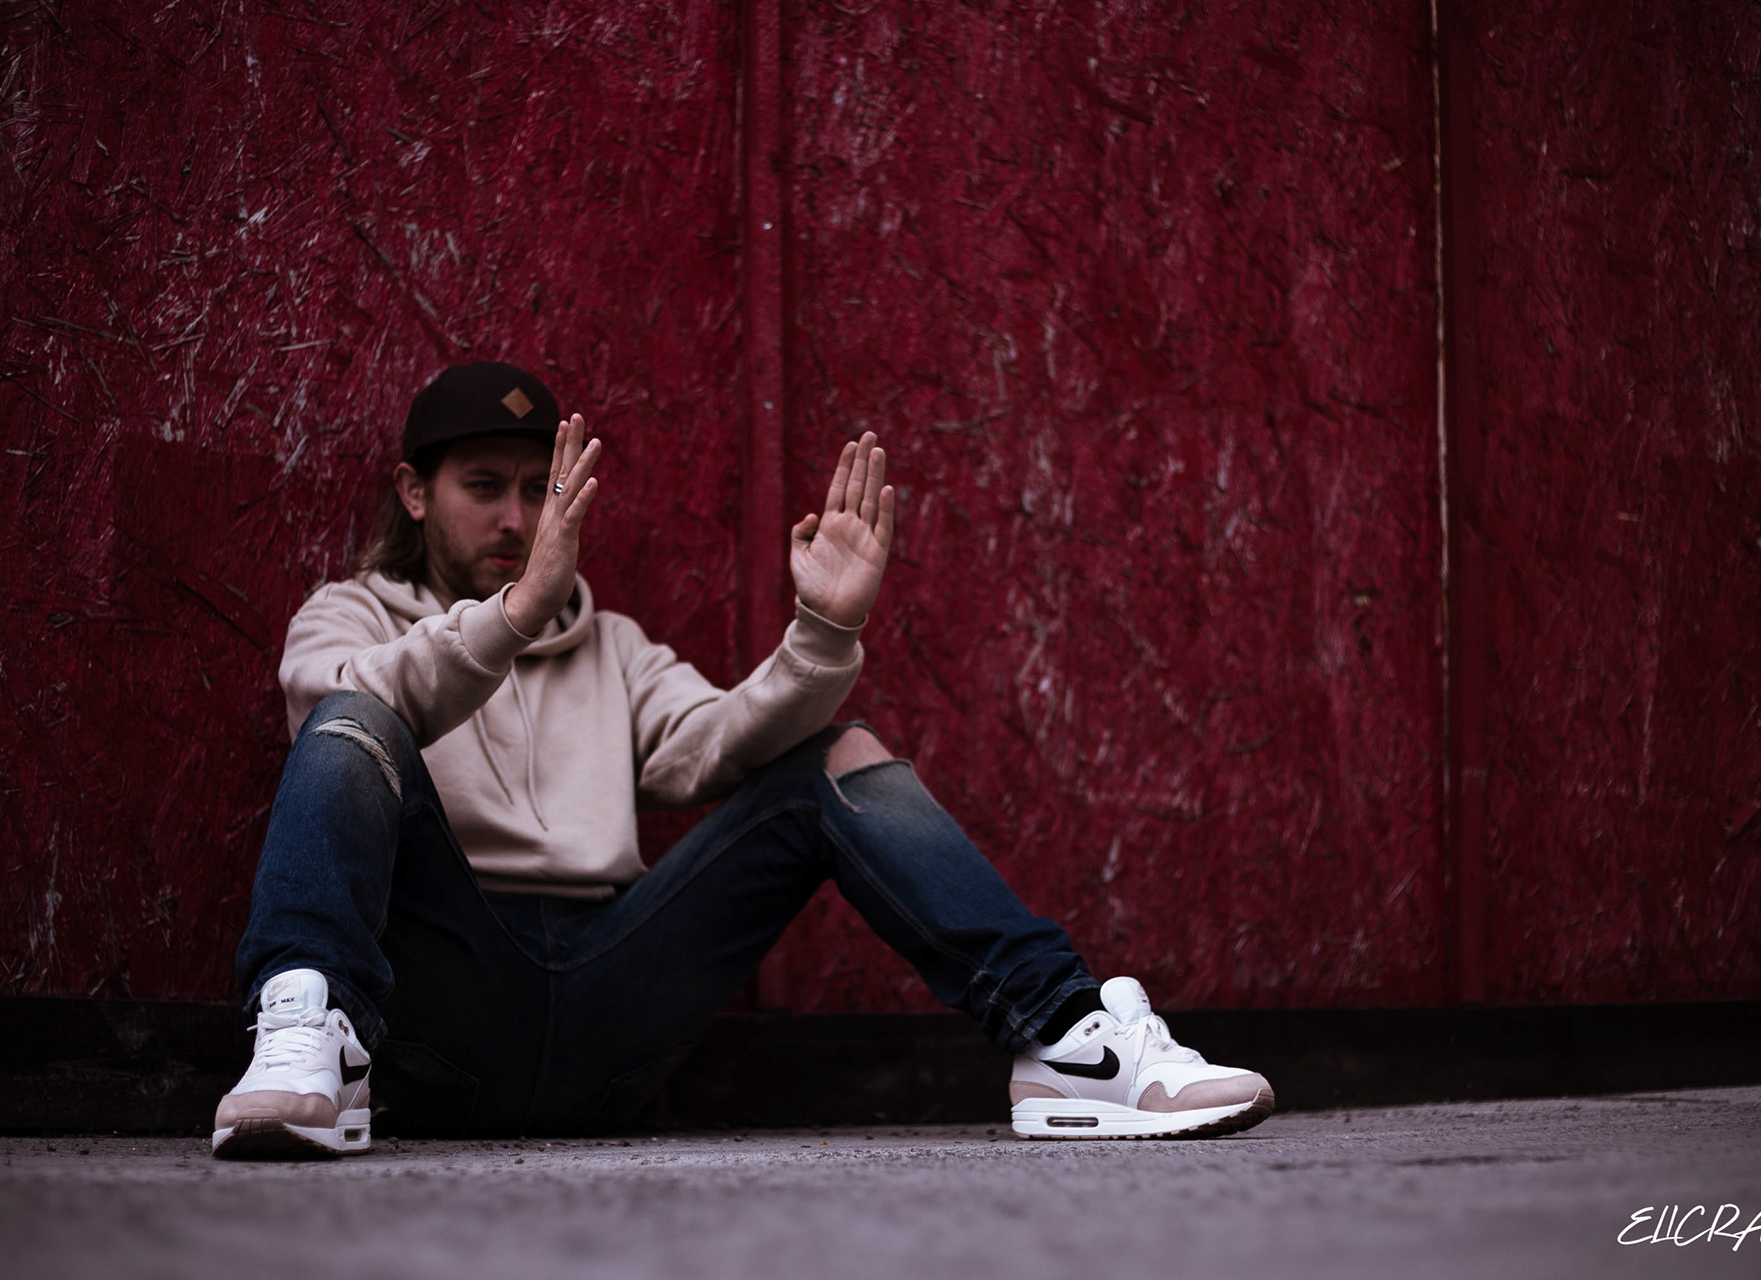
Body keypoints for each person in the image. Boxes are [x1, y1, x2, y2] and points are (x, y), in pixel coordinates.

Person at [213, 361, 1274, 1158]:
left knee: (837, 756)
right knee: (351, 723)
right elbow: (342, 711)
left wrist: (823, 629)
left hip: (612, 997)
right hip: (444, 1006)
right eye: (484, 487)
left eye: (540, 489)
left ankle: (1068, 1039)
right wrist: (513, 614)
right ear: (414, 492)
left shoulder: (614, 647)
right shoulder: (346, 616)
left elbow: (713, 744)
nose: (517, 518)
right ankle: (310, 1046)